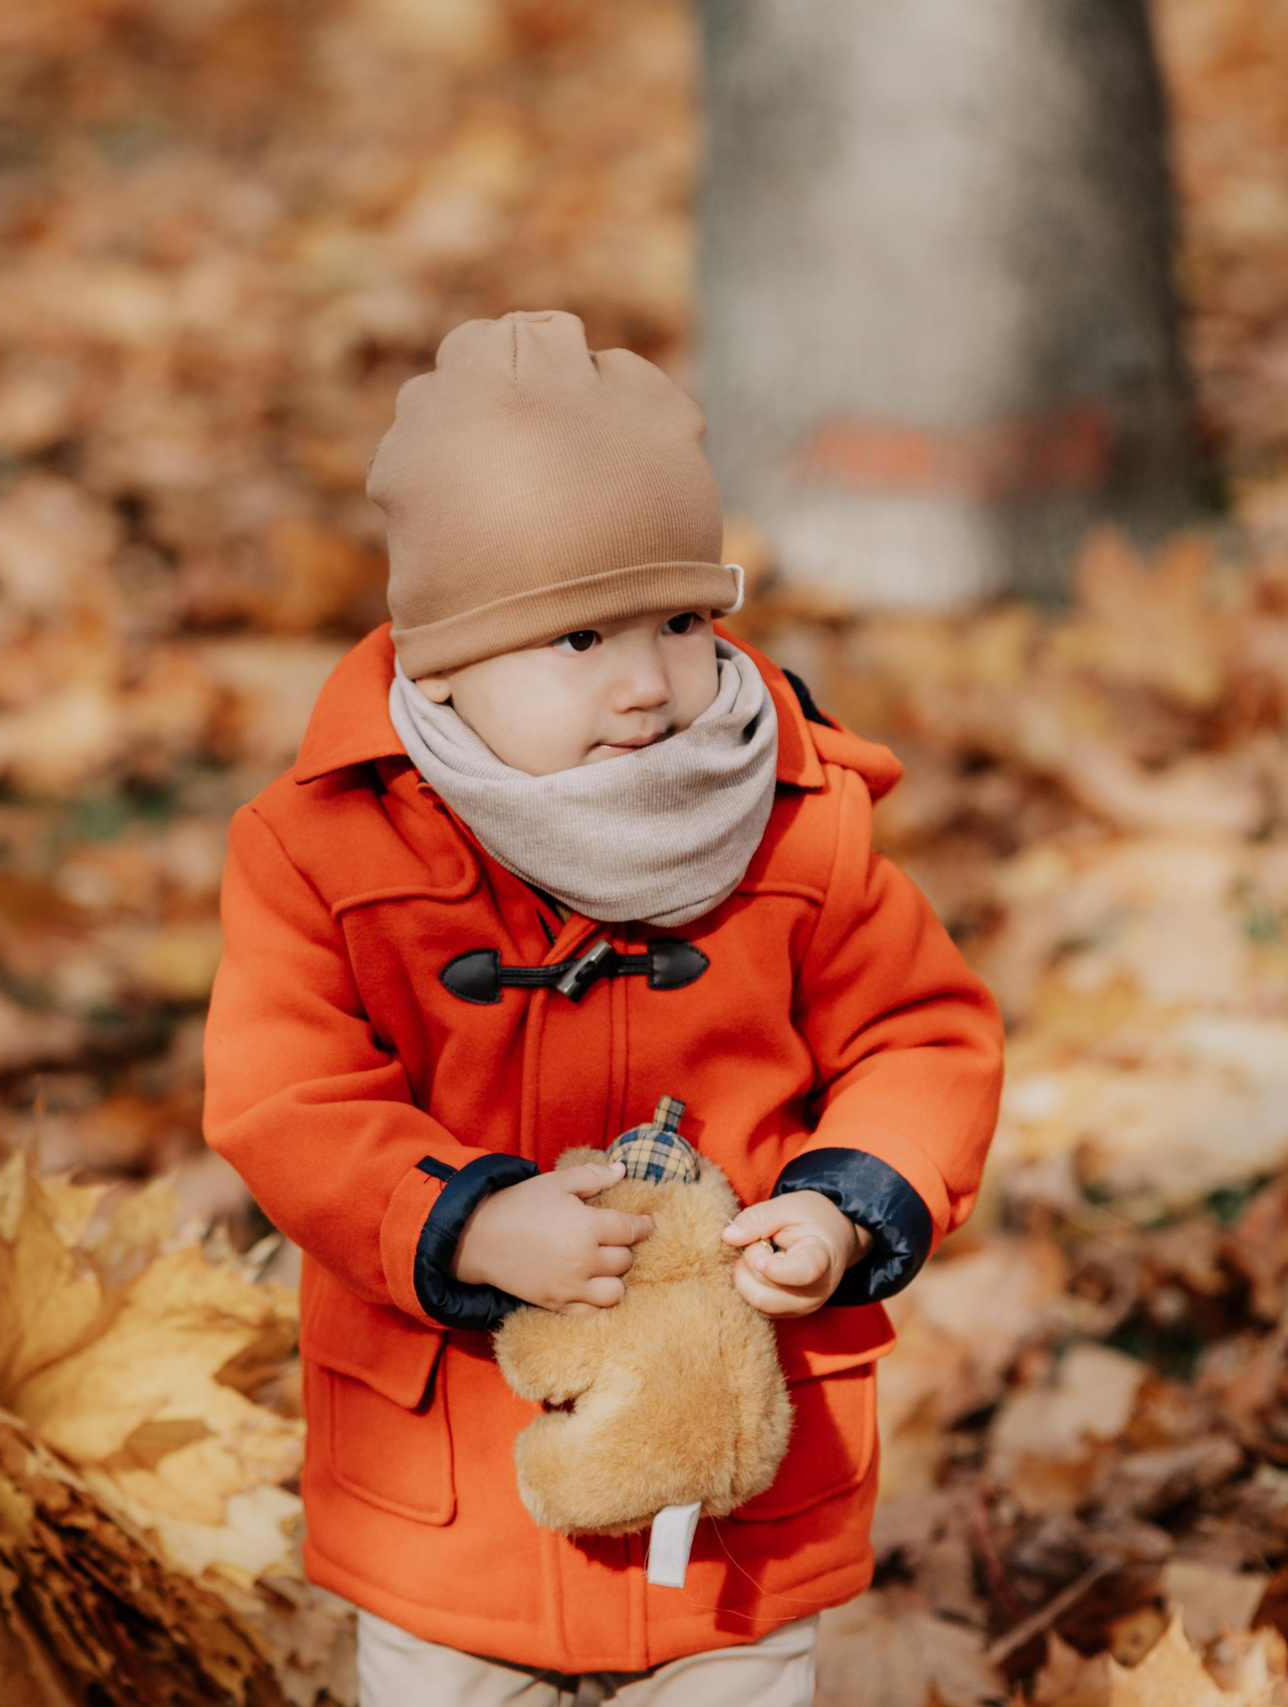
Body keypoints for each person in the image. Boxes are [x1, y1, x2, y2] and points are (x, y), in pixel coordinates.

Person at [203, 310, 1004, 1706]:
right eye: (578, 638)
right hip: (455, 1473)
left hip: (734, 1467)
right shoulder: (324, 854)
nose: (646, 683)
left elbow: (922, 1038)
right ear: (440, 664)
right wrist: (463, 1217)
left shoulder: (796, 823)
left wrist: (843, 1205)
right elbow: (287, 1098)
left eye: (684, 622)